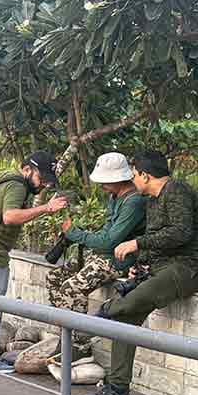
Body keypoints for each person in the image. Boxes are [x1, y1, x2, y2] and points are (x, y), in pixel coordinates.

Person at [85, 151, 198, 395]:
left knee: (127, 303)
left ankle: (100, 317)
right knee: (126, 318)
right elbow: (158, 240)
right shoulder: (152, 200)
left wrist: (136, 243)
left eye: (134, 174)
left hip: (190, 268)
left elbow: (180, 233)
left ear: (145, 175)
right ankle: (118, 390)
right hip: (164, 267)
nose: (132, 179)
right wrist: (141, 265)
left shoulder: (176, 190)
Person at [0, 152, 69, 374]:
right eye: (41, 178)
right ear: (27, 170)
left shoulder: (3, 176)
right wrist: (46, 208)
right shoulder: (17, 186)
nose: (44, 185)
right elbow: (10, 216)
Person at [45, 152, 146, 354]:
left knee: (72, 288)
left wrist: (74, 233)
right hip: (104, 255)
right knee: (54, 277)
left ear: (118, 179)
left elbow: (110, 241)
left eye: (105, 181)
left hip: (121, 260)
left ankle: (79, 347)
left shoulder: (134, 201)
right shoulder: (115, 196)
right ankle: (66, 337)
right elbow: (106, 233)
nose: (101, 185)